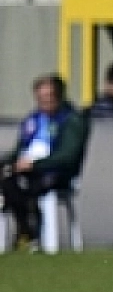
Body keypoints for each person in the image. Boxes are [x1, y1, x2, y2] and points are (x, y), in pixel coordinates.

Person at [1, 75, 88, 252]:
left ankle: (30, 233)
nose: (44, 101)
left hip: (56, 173)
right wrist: (11, 162)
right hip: (28, 169)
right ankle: (27, 231)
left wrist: (36, 164)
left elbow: (67, 156)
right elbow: (20, 149)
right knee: (7, 182)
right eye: (41, 98)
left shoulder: (71, 121)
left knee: (24, 186)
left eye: (49, 97)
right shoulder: (33, 120)